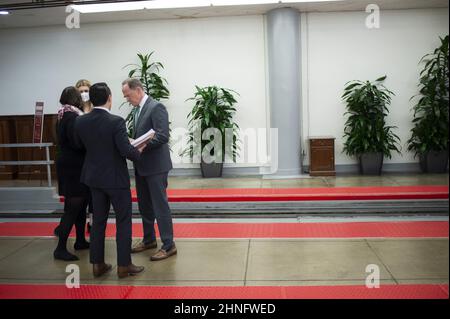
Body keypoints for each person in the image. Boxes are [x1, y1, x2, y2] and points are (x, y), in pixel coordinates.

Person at [74, 82, 146, 278]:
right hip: (115, 179)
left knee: (98, 222)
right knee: (123, 221)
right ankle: (124, 265)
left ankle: (97, 264)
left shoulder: (81, 122)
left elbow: (80, 146)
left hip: (93, 179)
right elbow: (125, 150)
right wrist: (138, 150)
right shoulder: (116, 121)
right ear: (109, 98)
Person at [121, 78, 176, 261]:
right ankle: (149, 239)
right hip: (142, 165)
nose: (127, 99)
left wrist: (142, 145)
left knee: (160, 206)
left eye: (128, 95)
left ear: (138, 90)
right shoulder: (138, 110)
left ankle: (168, 245)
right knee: (144, 205)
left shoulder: (156, 107)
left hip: (156, 166)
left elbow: (162, 135)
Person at [54, 86, 90, 261]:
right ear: (76, 99)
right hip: (74, 167)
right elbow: (77, 143)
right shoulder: (72, 116)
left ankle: (81, 240)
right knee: (72, 207)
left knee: (81, 205)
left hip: (69, 165)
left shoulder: (62, 114)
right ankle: (60, 248)